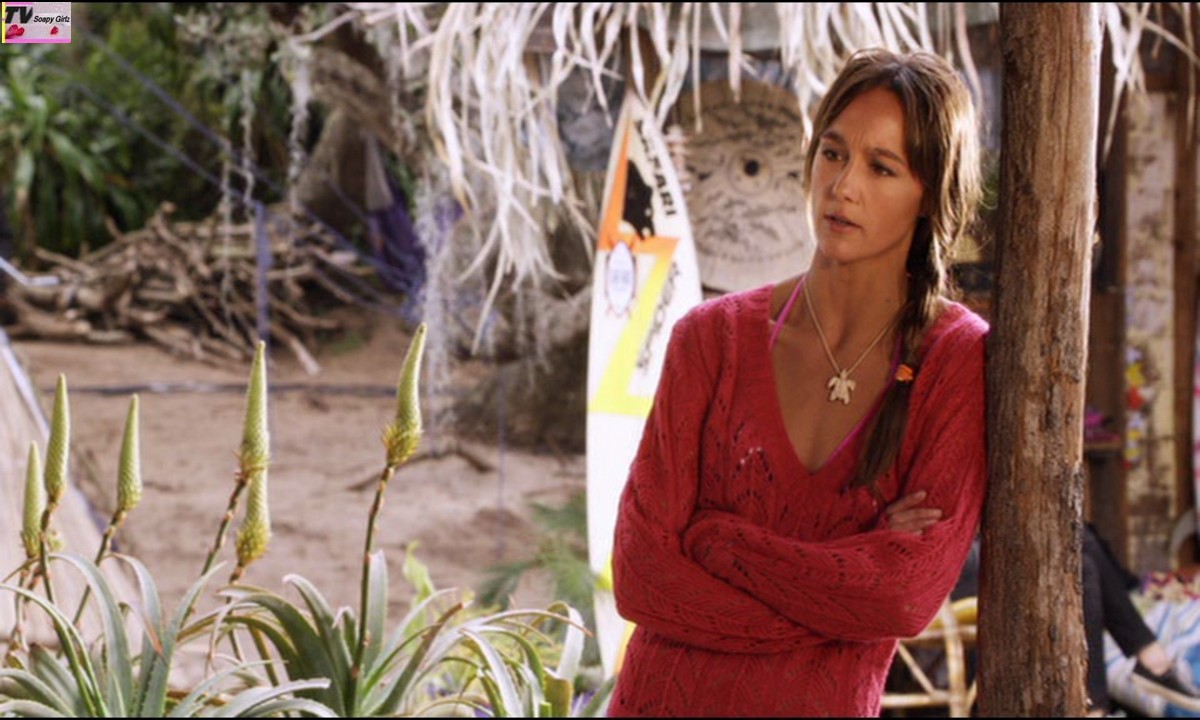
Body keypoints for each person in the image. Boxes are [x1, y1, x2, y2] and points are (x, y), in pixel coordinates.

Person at [609, 48, 988, 716]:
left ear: (929, 193)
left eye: (881, 167)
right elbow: (641, 577)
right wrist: (846, 579)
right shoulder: (711, 340)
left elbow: (903, 596)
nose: (843, 186)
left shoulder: (953, 360)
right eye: (833, 153)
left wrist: (719, 541)